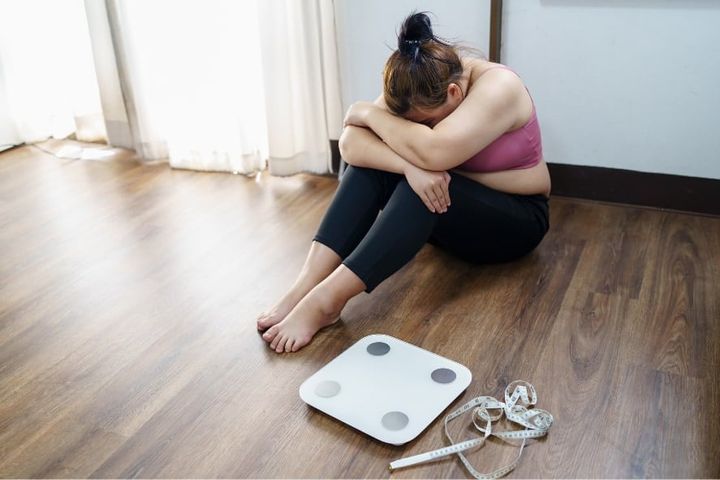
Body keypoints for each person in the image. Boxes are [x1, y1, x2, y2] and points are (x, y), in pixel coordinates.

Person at [257, 11, 551, 353]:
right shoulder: (417, 79)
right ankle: (305, 286)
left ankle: (326, 302)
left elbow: (434, 153)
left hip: (515, 222)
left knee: (426, 181)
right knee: (376, 167)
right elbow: (351, 146)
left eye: (424, 123)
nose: (418, 129)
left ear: (454, 93)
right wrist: (408, 166)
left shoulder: (499, 87)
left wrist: (366, 112)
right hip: (446, 209)